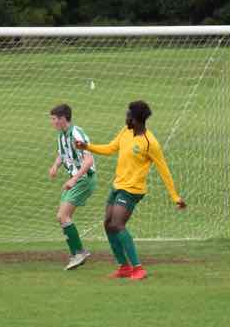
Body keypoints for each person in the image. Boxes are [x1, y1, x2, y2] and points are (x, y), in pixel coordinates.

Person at [76, 100, 186, 280]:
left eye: (128, 115)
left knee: (118, 224)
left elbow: (163, 170)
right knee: (108, 224)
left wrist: (175, 197)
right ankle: (124, 267)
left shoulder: (150, 143)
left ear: (135, 119)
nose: (125, 117)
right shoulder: (125, 131)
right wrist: (87, 146)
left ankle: (138, 268)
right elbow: (110, 148)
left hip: (133, 189)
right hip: (118, 185)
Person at [49, 104, 97, 270]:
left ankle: (78, 253)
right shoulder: (61, 135)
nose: (52, 122)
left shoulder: (76, 134)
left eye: (54, 119)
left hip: (84, 179)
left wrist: (74, 179)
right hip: (76, 179)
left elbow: (88, 160)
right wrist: (55, 166)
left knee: (63, 216)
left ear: (63, 119)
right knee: (61, 216)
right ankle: (78, 253)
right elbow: (62, 153)